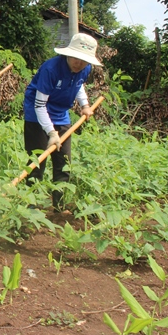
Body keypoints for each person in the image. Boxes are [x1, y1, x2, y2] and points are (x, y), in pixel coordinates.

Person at [22, 32, 101, 210]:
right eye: (76, 58)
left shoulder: (84, 69)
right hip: (37, 114)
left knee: (64, 162)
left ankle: (59, 206)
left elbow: (78, 84)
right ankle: (31, 208)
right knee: (37, 160)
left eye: (83, 60)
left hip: (61, 113)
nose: (79, 63)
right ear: (68, 54)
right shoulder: (51, 69)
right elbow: (40, 105)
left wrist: (85, 105)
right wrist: (51, 133)